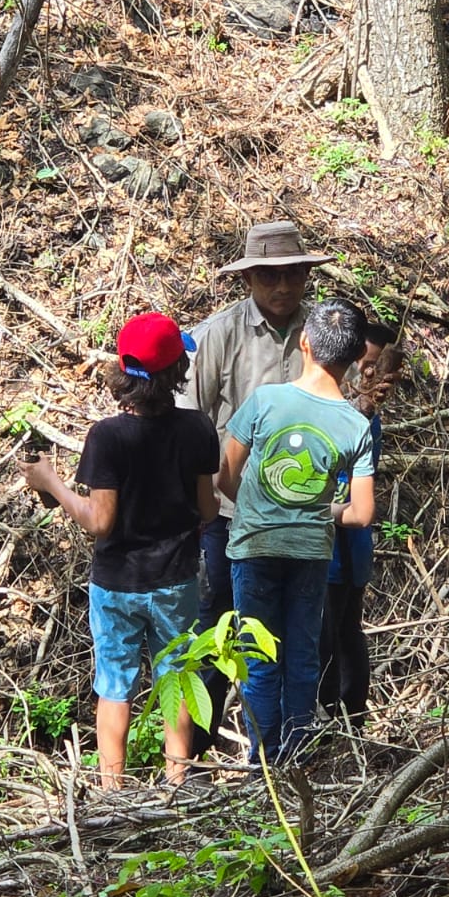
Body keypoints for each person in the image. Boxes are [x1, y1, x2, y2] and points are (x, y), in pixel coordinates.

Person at [19, 313, 220, 788]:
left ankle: (112, 788)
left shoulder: (107, 437)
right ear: (177, 373)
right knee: (177, 678)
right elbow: (208, 510)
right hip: (177, 579)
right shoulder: (197, 428)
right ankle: (177, 781)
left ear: (123, 370)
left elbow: (99, 521)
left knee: (114, 683)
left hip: (117, 583)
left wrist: (51, 483)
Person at [180, 221, 330, 759]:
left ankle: (290, 752)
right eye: (270, 275)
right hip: (227, 514)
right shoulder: (219, 336)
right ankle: (191, 756)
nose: (283, 287)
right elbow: (192, 426)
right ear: (249, 278)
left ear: (307, 275)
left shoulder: (322, 334)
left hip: (305, 517)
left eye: (293, 274)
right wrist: (197, 507)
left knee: (299, 634)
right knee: (215, 631)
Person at [219, 299, 376, 763]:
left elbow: (226, 477)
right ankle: (295, 760)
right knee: (302, 656)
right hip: (310, 555)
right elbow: (361, 513)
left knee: (259, 658)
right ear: (354, 358)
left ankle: (262, 766)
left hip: (254, 546)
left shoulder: (265, 401)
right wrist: (322, 510)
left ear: (304, 343)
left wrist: (260, 500)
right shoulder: (355, 424)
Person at [319, 324, 403, 732]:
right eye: (359, 365)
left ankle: (347, 718)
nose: (365, 375)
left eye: (374, 367)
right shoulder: (329, 409)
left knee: (341, 633)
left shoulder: (365, 420)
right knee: (328, 635)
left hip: (346, 550)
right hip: (328, 548)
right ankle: (331, 716)